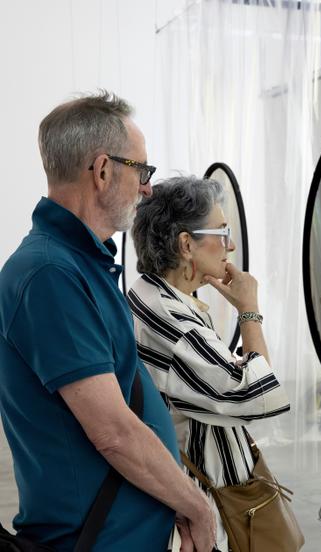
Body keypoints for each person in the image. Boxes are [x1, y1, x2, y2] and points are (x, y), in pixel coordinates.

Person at [0, 92, 215, 551]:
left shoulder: (80, 264)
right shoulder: (50, 275)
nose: (147, 188)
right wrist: (194, 504)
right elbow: (113, 432)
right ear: (102, 171)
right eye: (142, 170)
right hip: (94, 540)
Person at [128, 176, 291, 552]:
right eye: (221, 232)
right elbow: (257, 395)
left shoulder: (151, 294)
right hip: (206, 514)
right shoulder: (170, 322)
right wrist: (249, 311)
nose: (230, 245)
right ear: (187, 245)